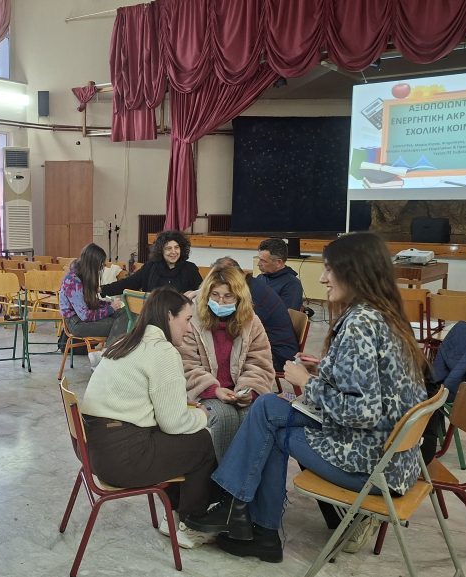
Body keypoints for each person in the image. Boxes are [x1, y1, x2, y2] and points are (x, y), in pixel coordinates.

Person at [183, 232, 428, 563]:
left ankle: (244, 515)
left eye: (329, 270)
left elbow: (363, 412)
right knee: (268, 409)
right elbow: (371, 388)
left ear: (355, 272)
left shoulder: (360, 324)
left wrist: (306, 382)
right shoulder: (384, 315)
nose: (323, 279)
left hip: (369, 464)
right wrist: (325, 370)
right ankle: (247, 519)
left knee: (268, 417)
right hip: (395, 459)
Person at [81, 287, 218, 549]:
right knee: (201, 442)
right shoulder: (162, 351)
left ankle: (174, 513)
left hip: (95, 452)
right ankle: (192, 524)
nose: (189, 328)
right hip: (121, 460)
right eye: (187, 320)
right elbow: (174, 423)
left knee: (172, 438)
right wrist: (202, 415)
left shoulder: (126, 341)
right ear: (169, 316)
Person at [179, 266, 275, 459]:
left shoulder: (251, 321)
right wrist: (214, 390)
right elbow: (186, 365)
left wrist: (248, 390)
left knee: (252, 416)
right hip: (203, 391)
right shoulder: (192, 319)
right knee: (225, 417)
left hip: (238, 390)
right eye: (214, 295)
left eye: (228, 296)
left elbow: (259, 362)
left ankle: (245, 475)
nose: (220, 302)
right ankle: (225, 474)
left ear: (239, 298)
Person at [212, 257, 299, 371]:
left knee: (218, 356)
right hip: (273, 347)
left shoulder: (253, 294)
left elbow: (240, 330)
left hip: (278, 355)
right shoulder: (250, 284)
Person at [59, 243, 129, 348]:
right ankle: (108, 353)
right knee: (121, 324)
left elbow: (91, 303)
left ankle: (108, 351)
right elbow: (85, 315)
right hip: (76, 324)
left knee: (124, 314)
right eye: (100, 266)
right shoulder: (73, 281)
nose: (100, 269)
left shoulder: (82, 276)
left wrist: (110, 305)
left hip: (82, 320)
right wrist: (110, 308)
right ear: (92, 265)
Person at [101, 231, 202, 297]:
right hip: (154, 316)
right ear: (161, 251)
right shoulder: (150, 267)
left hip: (181, 317)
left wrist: (193, 293)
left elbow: (203, 292)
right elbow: (128, 283)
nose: (173, 252)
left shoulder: (190, 269)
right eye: (168, 248)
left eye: (176, 247)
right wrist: (102, 289)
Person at [257, 238, 303, 311]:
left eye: (263, 261)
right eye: (259, 259)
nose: (258, 264)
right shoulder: (260, 278)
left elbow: (285, 315)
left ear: (278, 262)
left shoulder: (292, 284)